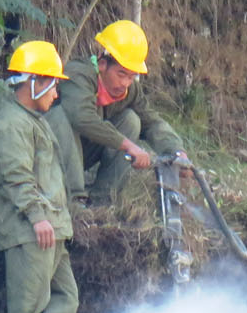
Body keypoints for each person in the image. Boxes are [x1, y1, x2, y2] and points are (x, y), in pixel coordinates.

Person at [0, 40, 77, 313]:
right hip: (30, 230)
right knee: (27, 306)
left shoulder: (35, 121)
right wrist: (38, 218)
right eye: (52, 86)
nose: (55, 95)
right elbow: (17, 176)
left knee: (67, 297)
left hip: (52, 228)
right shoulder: (11, 123)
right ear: (34, 83)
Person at [48, 19, 184, 207]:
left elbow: (152, 122)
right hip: (47, 158)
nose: (125, 83)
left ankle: (103, 201)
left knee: (132, 120)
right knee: (60, 115)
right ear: (102, 64)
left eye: (131, 76)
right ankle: (74, 199)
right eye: (121, 74)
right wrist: (128, 145)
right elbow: (82, 118)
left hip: (81, 157)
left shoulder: (130, 91)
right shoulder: (79, 74)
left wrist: (177, 152)